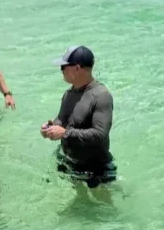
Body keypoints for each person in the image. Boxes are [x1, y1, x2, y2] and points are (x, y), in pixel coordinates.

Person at [41, 46, 117, 190]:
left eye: (64, 66)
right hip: (69, 162)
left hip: (95, 169)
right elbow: (62, 120)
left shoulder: (101, 96)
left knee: (102, 207)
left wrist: (64, 133)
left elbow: (100, 134)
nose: (61, 70)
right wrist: (50, 127)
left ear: (77, 68)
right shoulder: (69, 93)